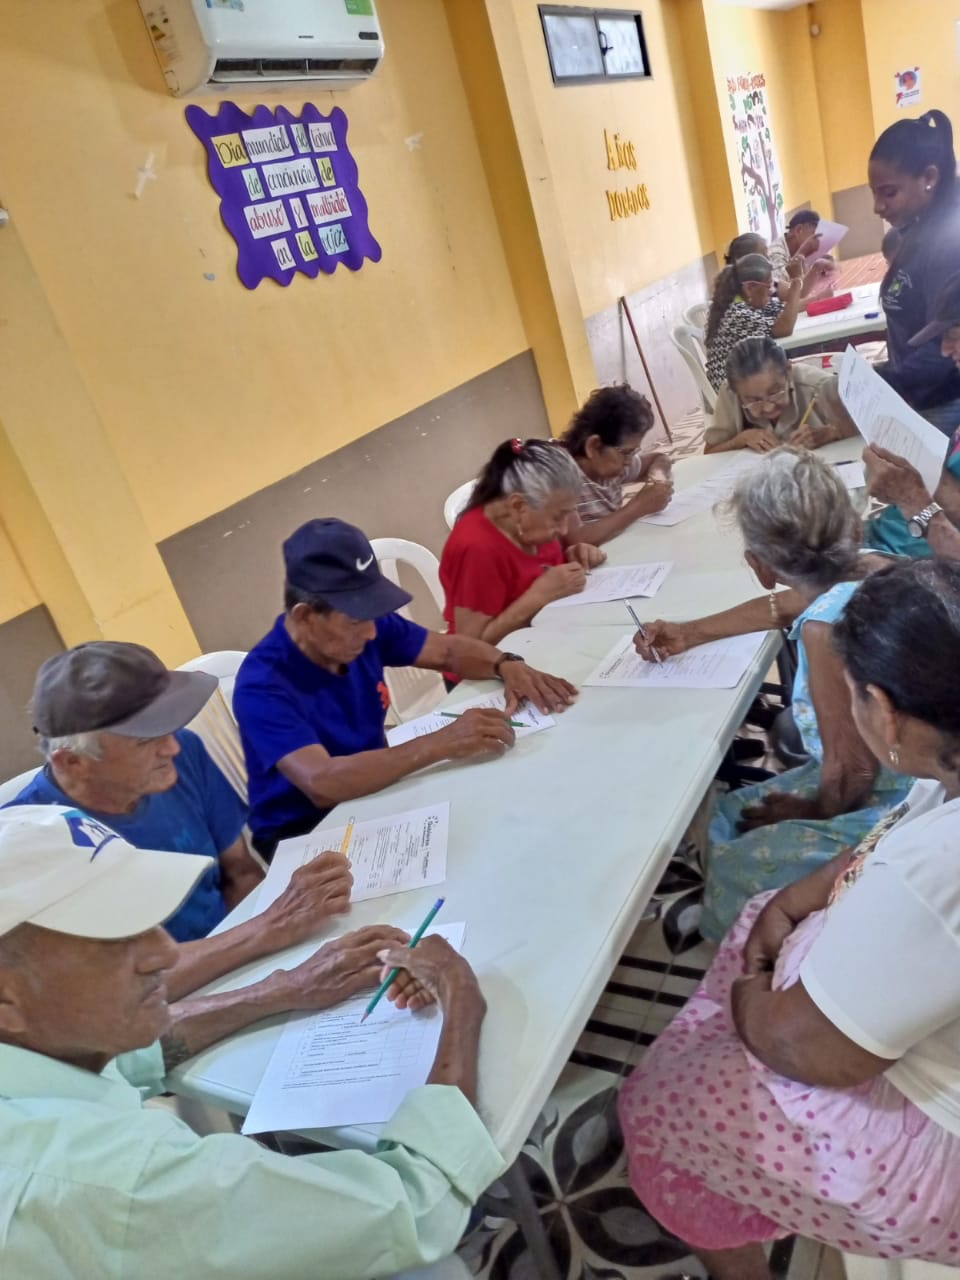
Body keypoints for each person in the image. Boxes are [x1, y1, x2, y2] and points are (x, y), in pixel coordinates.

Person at [619, 559, 960, 1279]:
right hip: (900, 1017)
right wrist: (792, 901)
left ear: (884, 710)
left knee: (654, 1109)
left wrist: (750, 997)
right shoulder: (944, 778)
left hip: (935, 1145)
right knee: (758, 907)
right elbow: (890, 836)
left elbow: (814, 1051)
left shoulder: (934, 876)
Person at [0, 802, 502, 1279]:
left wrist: (281, 989)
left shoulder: (37, 1055)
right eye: (113, 939)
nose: (167, 953)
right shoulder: (124, 1181)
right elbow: (416, 1206)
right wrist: (459, 993)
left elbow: (131, 1060)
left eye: (148, 923)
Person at [636, 449, 911, 941]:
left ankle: (777, 947)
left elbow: (854, 773)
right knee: (730, 811)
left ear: (760, 566)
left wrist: (809, 811)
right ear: (853, 529)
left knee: (735, 857)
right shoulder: (881, 566)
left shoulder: (826, 628)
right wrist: (690, 632)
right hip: (914, 769)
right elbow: (783, 605)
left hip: (902, 800)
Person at [12, 641, 363, 1001]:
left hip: (239, 961)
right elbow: (116, 992)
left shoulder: (184, 753)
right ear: (73, 763)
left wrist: (281, 951)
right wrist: (270, 929)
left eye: (168, 726)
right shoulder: (31, 844)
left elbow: (239, 872)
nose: (172, 748)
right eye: (145, 740)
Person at [234, 517, 578, 857]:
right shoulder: (262, 685)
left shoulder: (365, 627)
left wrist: (506, 664)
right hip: (306, 831)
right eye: (355, 621)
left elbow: (447, 651)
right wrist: (442, 742)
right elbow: (323, 782)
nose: (371, 632)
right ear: (305, 616)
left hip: (375, 790)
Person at [439, 438, 606, 644]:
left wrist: (573, 555)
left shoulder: (532, 523)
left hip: (551, 633)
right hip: (502, 657)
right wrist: (539, 595)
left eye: (568, 514)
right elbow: (470, 645)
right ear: (518, 505)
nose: (564, 530)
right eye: (558, 517)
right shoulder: (477, 549)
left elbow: (541, 569)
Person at [869, 108, 960, 433]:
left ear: (929, 178)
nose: (877, 207)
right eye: (874, 193)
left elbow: (944, 346)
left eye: (888, 192)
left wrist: (885, 380)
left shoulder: (950, 241)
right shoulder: (919, 227)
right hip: (918, 394)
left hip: (942, 401)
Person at [864, 269, 960, 559]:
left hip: (918, 566)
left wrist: (912, 498)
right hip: (890, 538)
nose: (945, 351)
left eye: (953, 336)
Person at [560, 385, 674, 545]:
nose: (629, 462)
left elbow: (660, 459)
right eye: (626, 452)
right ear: (593, 446)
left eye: (633, 453)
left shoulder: (612, 465)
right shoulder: (561, 473)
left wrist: (658, 478)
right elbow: (576, 539)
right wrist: (638, 506)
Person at [706, 336, 857, 454]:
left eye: (775, 392)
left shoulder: (817, 385)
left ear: (788, 371)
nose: (768, 407)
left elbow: (867, 430)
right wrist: (741, 439)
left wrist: (832, 432)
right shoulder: (731, 393)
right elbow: (710, 452)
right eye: (754, 400)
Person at [705, 255, 802, 391]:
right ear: (750, 287)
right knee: (797, 378)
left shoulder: (747, 302)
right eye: (768, 286)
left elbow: (788, 309)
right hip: (731, 387)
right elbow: (784, 328)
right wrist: (796, 281)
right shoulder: (736, 313)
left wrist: (817, 297)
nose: (771, 291)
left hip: (745, 373)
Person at [766, 209, 837, 300]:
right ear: (799, 230)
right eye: (814, 236)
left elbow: (806, 287)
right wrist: (802, 252)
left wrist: (820, 269)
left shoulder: (803, 250)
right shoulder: (775, 252)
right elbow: (779, 288)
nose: (817, 241)